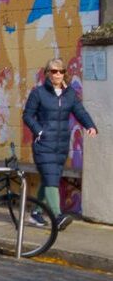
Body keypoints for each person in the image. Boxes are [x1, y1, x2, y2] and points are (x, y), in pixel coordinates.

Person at [22, 58, 98, 231]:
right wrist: (39, 131)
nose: (57, 74)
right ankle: (56, 216)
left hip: (61, 145)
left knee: (50, 178)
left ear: (65, 73)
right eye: (53, 71)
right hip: (43, 145)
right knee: (51, 179)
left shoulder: (70, 94)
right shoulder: (38, 93)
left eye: (61, 71)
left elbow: (80, 111)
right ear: (47, 73)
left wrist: (90, 125)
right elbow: (27, 115)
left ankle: (35, 214)